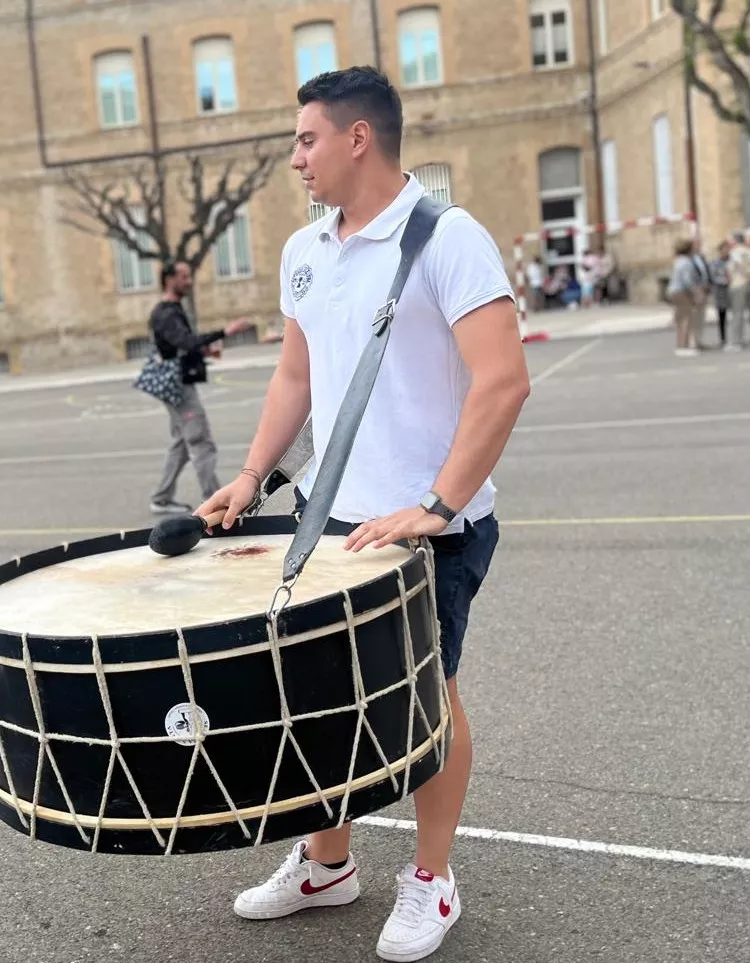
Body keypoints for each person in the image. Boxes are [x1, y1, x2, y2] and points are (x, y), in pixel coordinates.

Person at [198, 66, 530, 962]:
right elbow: (296, 378)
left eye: (306, 139)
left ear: (357, 138)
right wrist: (253, 474)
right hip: (324, 521)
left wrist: (438, 503)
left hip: (429, 530)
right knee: (314, 700)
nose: (295, 158)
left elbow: (503, 381)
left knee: (426, 701)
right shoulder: (304, 250)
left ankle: (431, 877)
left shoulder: (450, 238)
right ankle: (327, 861)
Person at [147, 261, 251, 514]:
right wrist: (224, 332)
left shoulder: (171, 310)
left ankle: (161, 498)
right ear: (168, 279)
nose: (189, 281)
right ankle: (213, 501)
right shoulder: (166, 312)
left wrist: (204, 349)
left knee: (182, 441)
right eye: (183, 276)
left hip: (176, 383)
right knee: (201, 441)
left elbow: (178, 345)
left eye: (189, 276)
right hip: (179, 386)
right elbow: (185, 342)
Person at [726, 230, 750, 351]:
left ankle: (736, 342)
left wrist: (748, 275)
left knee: (738, 313)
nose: (729, 242)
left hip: (739, 283)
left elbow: (740, 266)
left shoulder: (735, 252)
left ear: (735, 241)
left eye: (731, 240)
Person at [667, 238, 703, 357]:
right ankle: (684, 346)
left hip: (674, 290)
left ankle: (680, 344)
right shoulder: (686, 263)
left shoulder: (678, 261)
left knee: (680, 319)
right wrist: (695, 293)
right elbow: (687, 280)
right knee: (686, 319)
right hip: (682, 291)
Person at [708, 239, 731, 346]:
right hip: (721, 292)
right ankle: (723, 338)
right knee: (722, 315)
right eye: (724, 249)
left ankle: (736, 336)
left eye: (728, 249)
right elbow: (714, 277)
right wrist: (726, 281)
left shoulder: (732, 261)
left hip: (732, 291)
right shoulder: (715, 263)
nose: (727, 251)